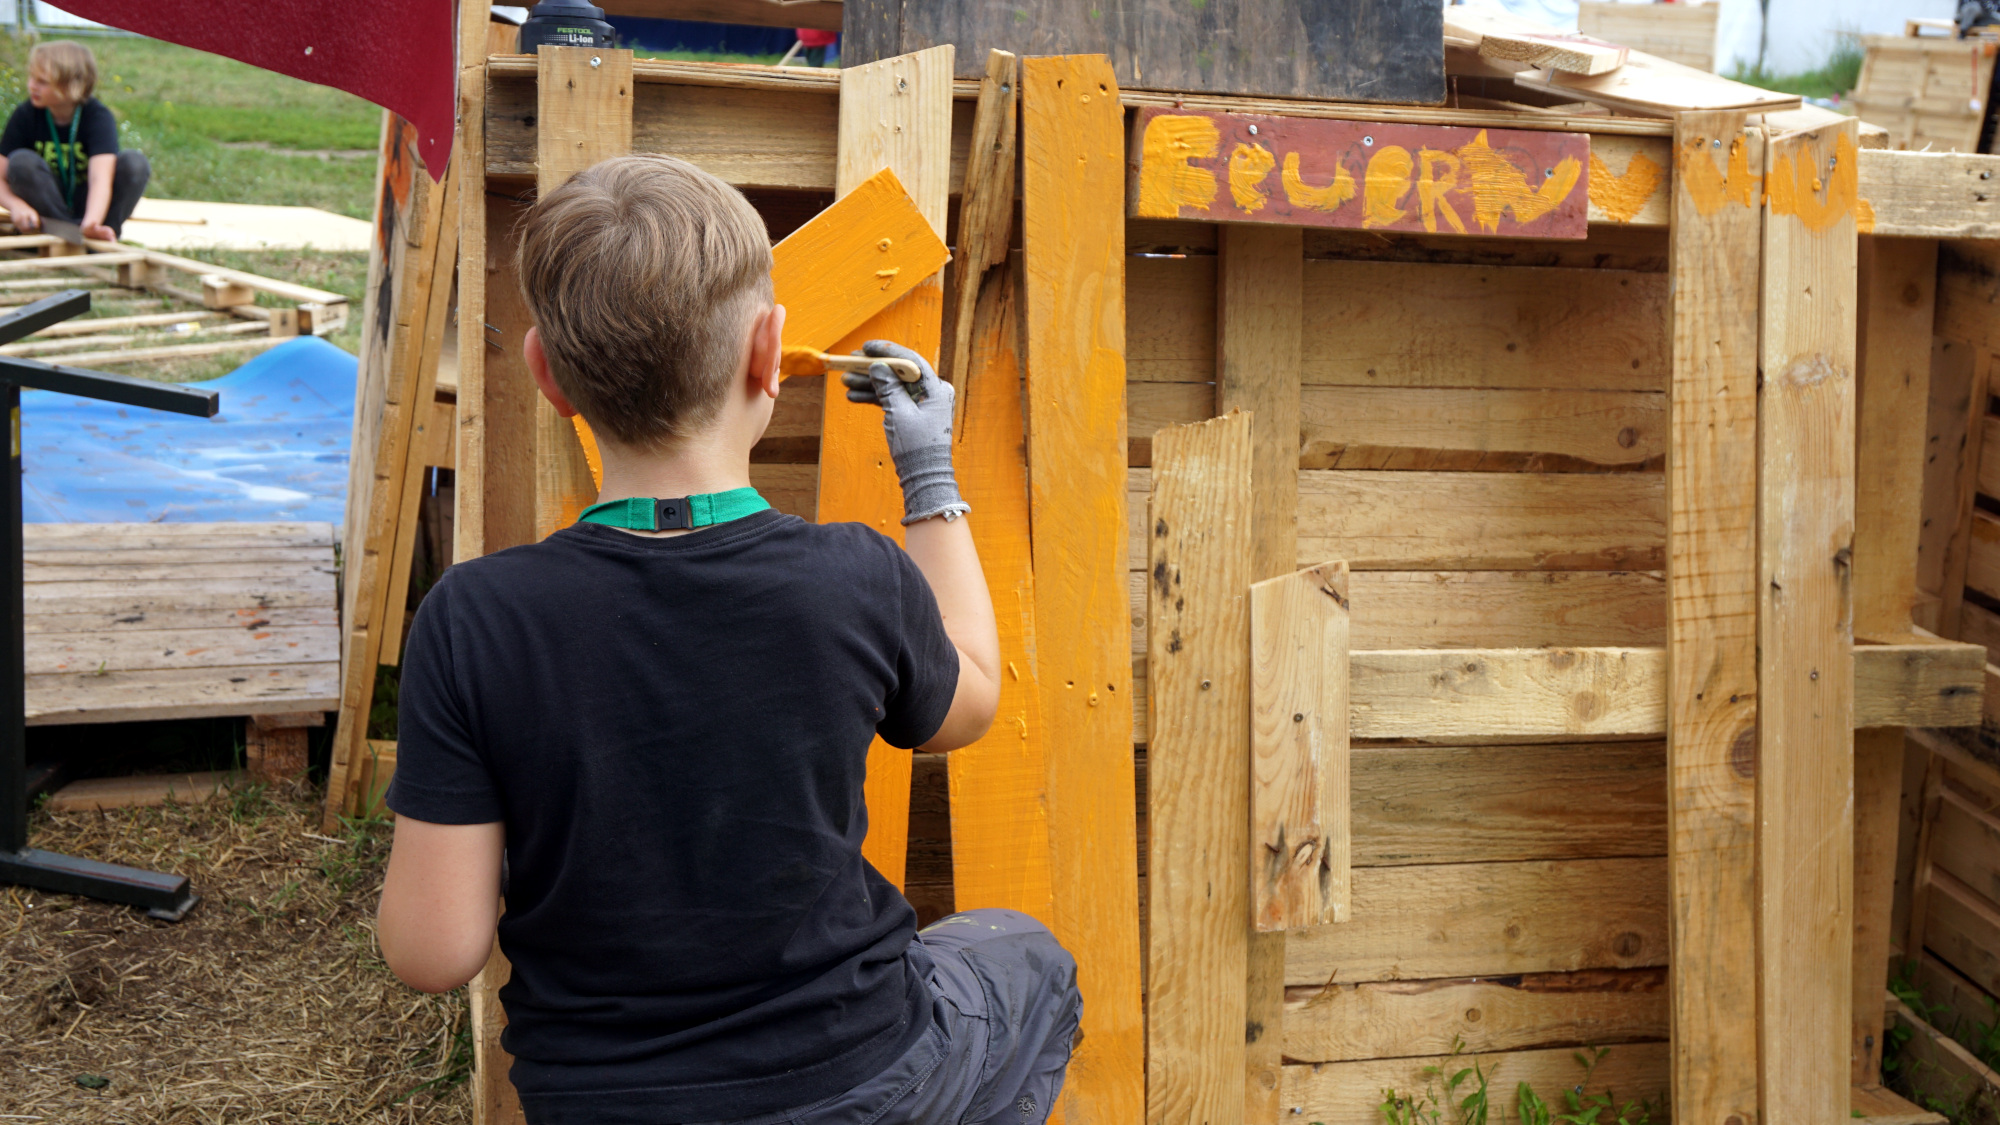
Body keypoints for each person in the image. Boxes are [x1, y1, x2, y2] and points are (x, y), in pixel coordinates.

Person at [374, 152, 1081, 1125]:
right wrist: (927, 475)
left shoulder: (472, 618)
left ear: (547, 375)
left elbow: (431, 951)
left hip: (602, 1104)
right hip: (855, 1079)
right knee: (1027, 961)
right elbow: (969, 704)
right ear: (767, 352)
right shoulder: (853, 577)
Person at [0, 40, 149, 243]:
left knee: (135, 163)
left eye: (42, 81)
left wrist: (91, 222)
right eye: (31, 77)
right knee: (20, 162)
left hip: (91, 205)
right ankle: (65, 234)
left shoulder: (97, 116)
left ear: (72, 86)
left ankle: (101, 234)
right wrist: (17, 205)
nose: (31, 86)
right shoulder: (26, 114)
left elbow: (100, 179)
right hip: (49, 206)